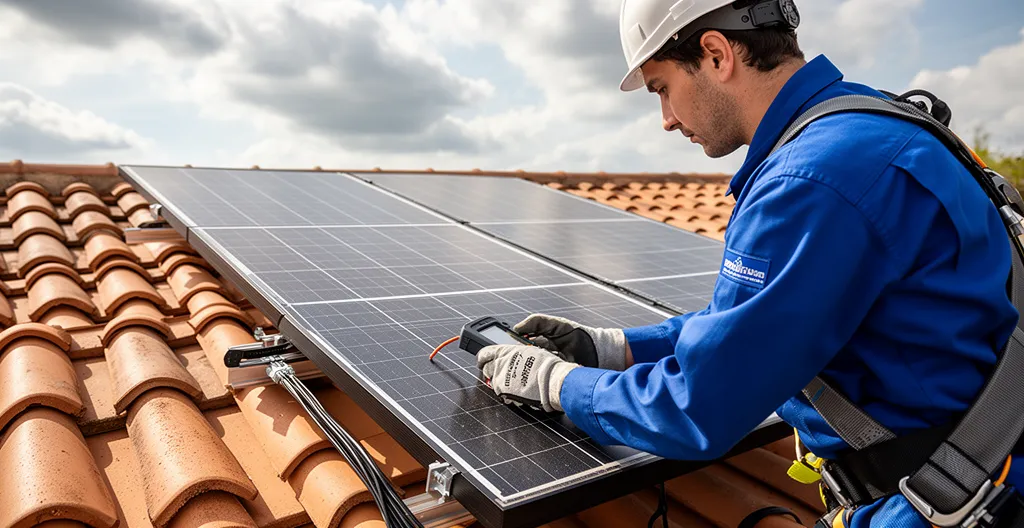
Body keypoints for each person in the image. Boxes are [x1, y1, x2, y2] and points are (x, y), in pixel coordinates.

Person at [475, 0, 1024, 526]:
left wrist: (559, 384)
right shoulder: (873, 126)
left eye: (663, 88)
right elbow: (752, 326)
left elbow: (702, 404)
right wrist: (614, 348)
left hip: (950, 498)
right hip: (986, 468)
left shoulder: (808, 181)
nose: (666, 119)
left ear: (716, 54)